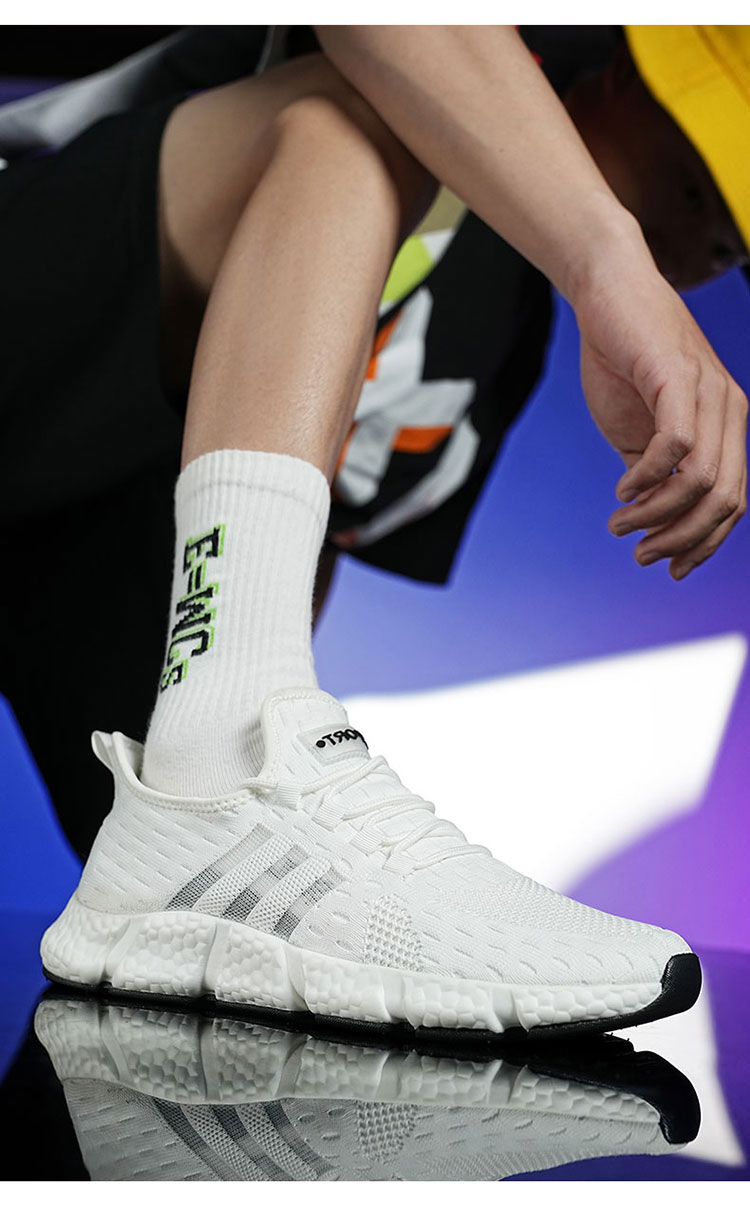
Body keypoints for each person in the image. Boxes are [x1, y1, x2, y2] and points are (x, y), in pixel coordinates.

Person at [3, 25, 745, 1034]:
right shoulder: (484, 50)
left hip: (112, 534)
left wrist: (281, 751)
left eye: (732, 246)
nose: (700, 243)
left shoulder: (488, 353)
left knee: (224, 893)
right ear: (618, 74)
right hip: (40, 313)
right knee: (363, 121)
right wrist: (607, 261)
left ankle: (233, 769)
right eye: (698, 184)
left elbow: (301, 558)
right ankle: (225, 751)